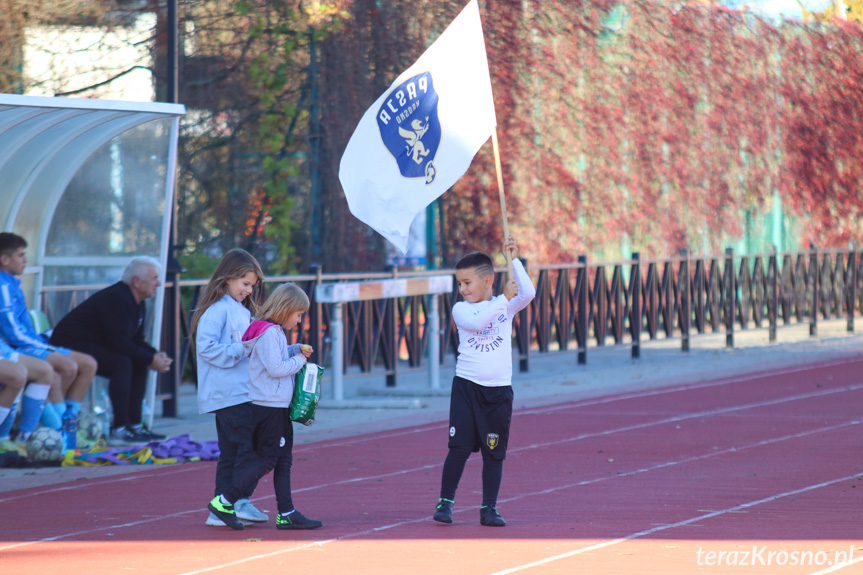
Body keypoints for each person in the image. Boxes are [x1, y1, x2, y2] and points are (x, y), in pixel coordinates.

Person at [432, 235, 536, 527]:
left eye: (467, 283)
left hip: (498, 392)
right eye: (460, 284)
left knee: (494, 452)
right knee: (460, 448)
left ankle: (489, 508)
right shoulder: (462, 309)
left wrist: (512, 260)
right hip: (467, 388)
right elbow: (478, 324)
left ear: (488, 280)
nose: (462, 289)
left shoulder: (505, 307)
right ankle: (446, 501)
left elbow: (527, 294)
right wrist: (503, 298)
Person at [207, 283, 322, 531]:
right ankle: (224, 500)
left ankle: (287, 511)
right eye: (298, 314)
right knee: (268, 458)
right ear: (286, 308)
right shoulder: (270, 332)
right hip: (270, 407)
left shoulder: (271, 331)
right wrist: (300, 360)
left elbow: (273, 356)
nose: (299, 320)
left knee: (283, 459)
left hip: (274, 406)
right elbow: (276, 368)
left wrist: (294, 349)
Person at [49, 256, 173, 445]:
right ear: (137, 282)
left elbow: (135, 340)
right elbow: (118, 343)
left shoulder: (138, 301)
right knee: (121, 362)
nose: (159, 283)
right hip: (68, 345)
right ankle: (119, 429)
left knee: (138, 360)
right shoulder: (118, 298)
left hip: (95, 345)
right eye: (154, 278)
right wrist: (150, 358)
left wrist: (154, 355)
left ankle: (134, 426)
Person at [190, 249, 268, 527]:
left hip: (241, 391)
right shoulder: (217, 311)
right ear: (228, 277)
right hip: (228, 393)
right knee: (250, 448)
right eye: (244, 284)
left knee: (233, 452)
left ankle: (222, 506)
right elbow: (207, 348)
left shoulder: (239, 310)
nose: (248, 290)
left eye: (252, 286)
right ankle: (235, 501)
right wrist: (242, 348)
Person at [0, 233, 97, 431]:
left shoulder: (11, 283)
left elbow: (23, 327)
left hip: (28, 343)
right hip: (17, 346)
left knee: (87, 364)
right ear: (4, 259)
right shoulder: (2, 286)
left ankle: (58, 422)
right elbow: (13, 333)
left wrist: (44, 342)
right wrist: (45, 347)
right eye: (21, 255)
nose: (26, 261)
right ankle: (56, 427)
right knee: (60, 369)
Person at [0, 333, 57, 453]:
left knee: (44, 371)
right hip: (12, 346)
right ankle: (3, 437)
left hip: (5, 347)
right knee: (16, 375)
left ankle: (24, 438)